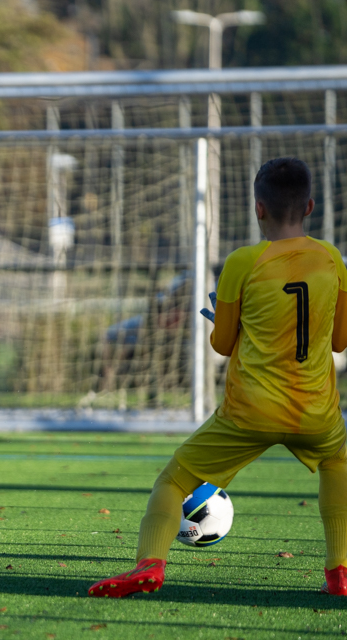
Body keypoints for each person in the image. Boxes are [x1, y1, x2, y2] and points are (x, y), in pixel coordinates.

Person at [88, 157, 347, 598]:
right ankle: (339, 574)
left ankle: (149, 565)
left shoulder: (243, 262)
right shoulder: (332, 259)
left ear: (258, 209)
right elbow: (340, 341)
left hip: (250, 411)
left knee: (172, 481)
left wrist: (231, 322)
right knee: (337, 466)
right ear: (310, 206)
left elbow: (222, 345)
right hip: (317, 413)